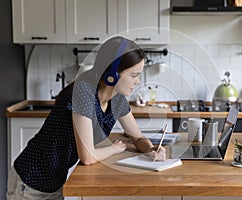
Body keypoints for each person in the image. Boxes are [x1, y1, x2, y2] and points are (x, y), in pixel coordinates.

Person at [6, 36, 166, 200]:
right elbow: (87, 157)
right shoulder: (83, 92)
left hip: (54, 182)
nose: (138, 81)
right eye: (134, 75)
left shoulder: (117, 99)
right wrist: (114, 148)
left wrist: (151, 149)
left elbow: (137, 137)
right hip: (30, 181)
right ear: (113, 74)